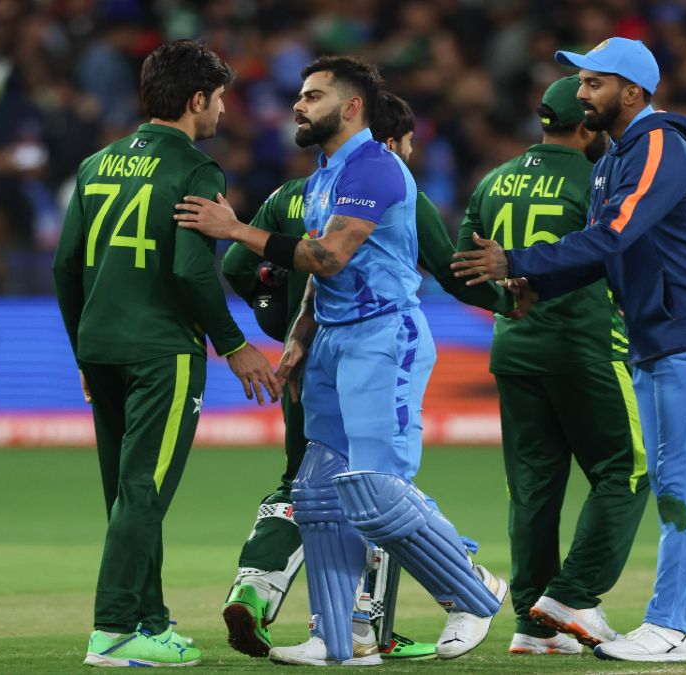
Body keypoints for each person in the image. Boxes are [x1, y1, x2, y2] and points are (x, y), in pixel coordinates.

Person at [176, 55, 506, 667]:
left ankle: (472, 588)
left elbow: (328, 256)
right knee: (317, 493)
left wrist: (235, 229)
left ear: (351, 106)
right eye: (300, 95)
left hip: (383, 339)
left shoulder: (374, 167)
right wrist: (301, 335)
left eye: (313, 96)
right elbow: (320, 276)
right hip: (332, 340)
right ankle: (337, 639)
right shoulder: (324, 175)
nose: (298, 105)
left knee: (375, 490)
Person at [451, 37, 686, 662]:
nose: (581, 92)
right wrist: (538, 284)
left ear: (632, 91)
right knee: (673, 479)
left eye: (594, 82)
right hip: (660, 333)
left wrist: (517, 260)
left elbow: (614, 234)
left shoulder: (658, 144)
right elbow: (603, 250)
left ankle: (671, 626)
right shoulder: (617, 156)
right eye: (582, 81)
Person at [53, 39, 279, 668]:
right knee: (144, 493)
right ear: (197, 99)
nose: (224, 110)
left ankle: (148, 622)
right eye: (221, 98)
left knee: (128, 495)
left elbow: (65, 266)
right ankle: (112, 630)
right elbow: (190, 270)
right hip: (162, 352)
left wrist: (82, 353)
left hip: (101, 346)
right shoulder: (196, 171)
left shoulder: (95, 164)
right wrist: (235, 345)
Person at [455, 74, 650, 656]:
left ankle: (533, 627)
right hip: (585, 344)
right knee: (630, 469)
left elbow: (461, 264)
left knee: (533, 490)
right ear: (588, 125)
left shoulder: (494, 180)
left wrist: (505, 301)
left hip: (514, 351)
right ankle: (572, 596)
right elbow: (618, 250)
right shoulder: (599, 177)